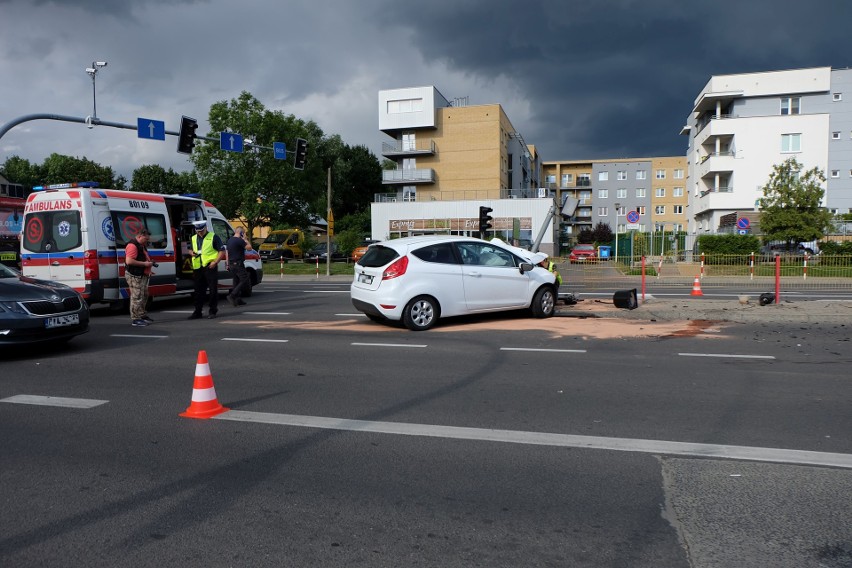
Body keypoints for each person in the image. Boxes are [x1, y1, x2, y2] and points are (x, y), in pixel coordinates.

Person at [188, 220, 225, 319]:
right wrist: (191, 252)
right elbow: (189, 249)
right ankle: (197, 311)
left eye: (201, 230)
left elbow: (222, 251)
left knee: (213, 289)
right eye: (198, 231)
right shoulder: (193, 238)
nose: (200, 232)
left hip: (210, 266)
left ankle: (212, 311)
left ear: (205, 228)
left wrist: (215, 262)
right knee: (198, 290)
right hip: (198, 267)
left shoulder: (213, 237)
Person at [125, 229, 154, 327]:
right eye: (146, 239)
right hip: (134, 275)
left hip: (141, 274)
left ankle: (141, 315)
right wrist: (145, 264)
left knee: (144, 294)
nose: (147, 241)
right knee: (136, 296)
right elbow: (129, 261)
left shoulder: (141, 245)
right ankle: (135, 318)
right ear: (140, 236)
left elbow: (143, 257)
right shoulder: (132, 246)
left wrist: (148, 269)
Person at [226, 227, 252, 307]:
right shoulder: (240, 240)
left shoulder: (230, 240)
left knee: (236, 281)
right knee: (245, 279)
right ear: (241, 233)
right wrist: (245, 239)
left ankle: (237, 299)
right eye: (243, 233)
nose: (244, 234)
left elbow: (227, 252)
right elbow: (249, 248)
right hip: (238, 263)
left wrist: (227, 264)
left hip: (231, 263)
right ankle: (232, 295)